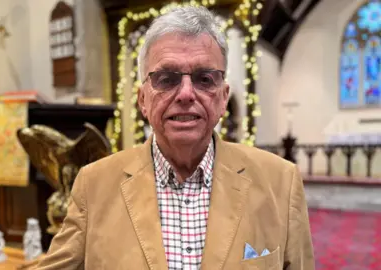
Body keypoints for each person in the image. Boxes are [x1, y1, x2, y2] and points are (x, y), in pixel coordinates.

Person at [35, 6, 314, 270]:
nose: (185, 94)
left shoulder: (281, 182)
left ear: (223, 98)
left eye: (204, 78)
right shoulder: (93, 185)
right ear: (143, 99)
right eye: (167, 79)